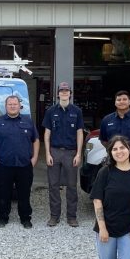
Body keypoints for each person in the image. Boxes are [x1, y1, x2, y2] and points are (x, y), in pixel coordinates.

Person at [0, 94, 39, 228]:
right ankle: (2, 218)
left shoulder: (28, 121)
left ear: (19, 106)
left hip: (24, 165)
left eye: (15, 104)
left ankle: (25, 218)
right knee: (3, 194)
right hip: (4, 165)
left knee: (24, 194)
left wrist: (34, 158)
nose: (12, 106)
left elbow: (36, 140)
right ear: (6, 106)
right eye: (10, 104)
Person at [43, 81, 85, 227]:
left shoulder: (77, 111)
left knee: (72, 186)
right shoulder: (50, 111)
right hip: (54, 152)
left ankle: (71, 217)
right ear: (58, 94)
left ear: (70, 94)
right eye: (62, 91)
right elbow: (47, 134)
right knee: (53, 185)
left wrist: (79, 154)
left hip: (71, 153)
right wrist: (47, 154)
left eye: (67, 91)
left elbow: (80, 134)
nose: (64, 93)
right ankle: (54, 216)